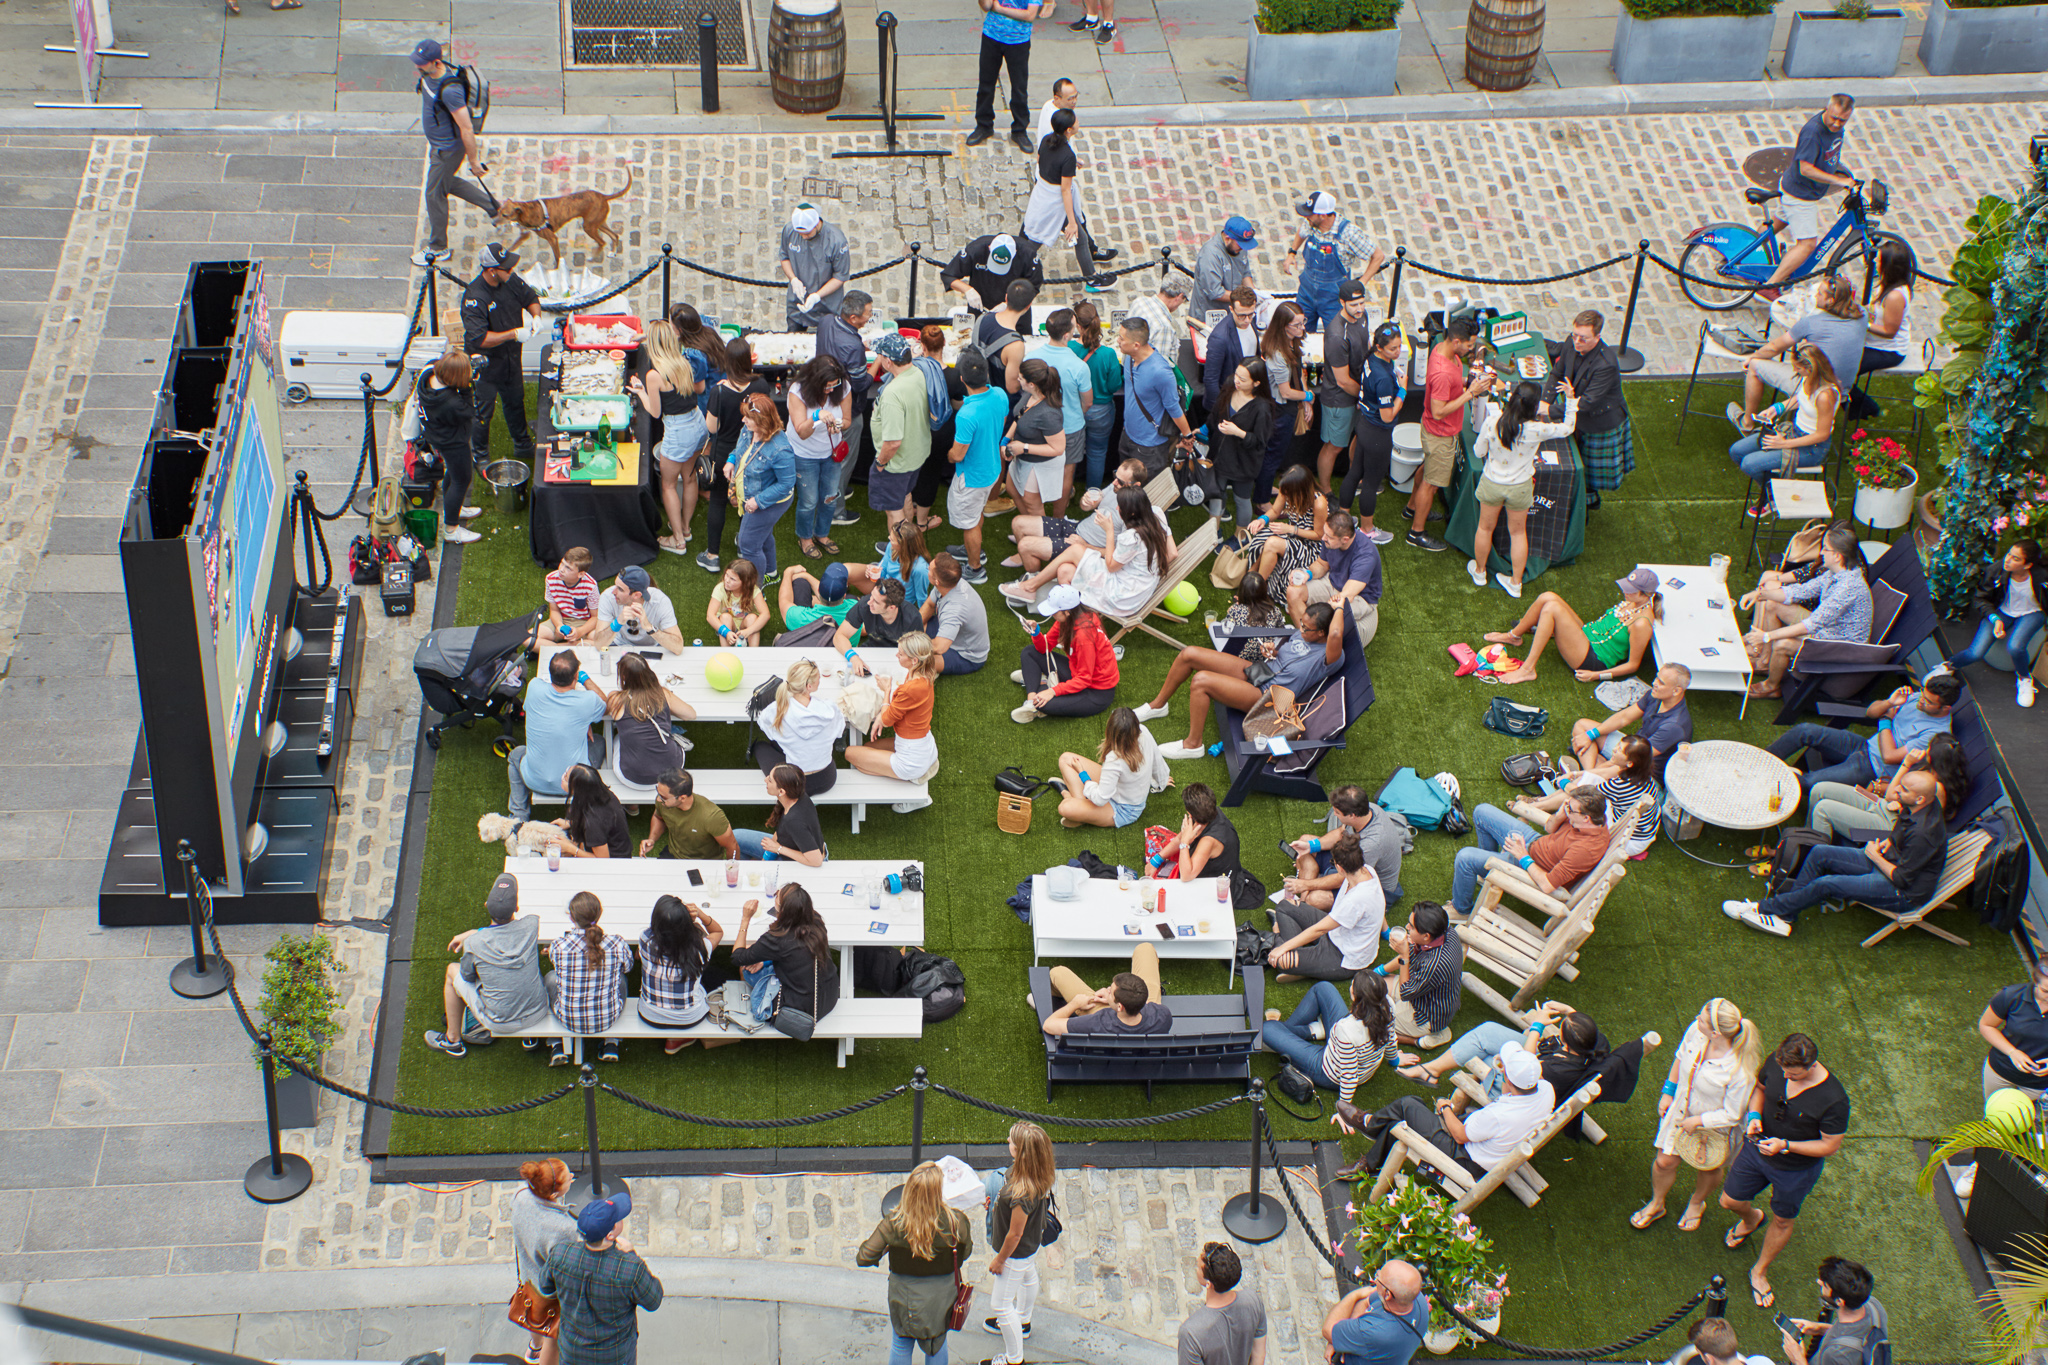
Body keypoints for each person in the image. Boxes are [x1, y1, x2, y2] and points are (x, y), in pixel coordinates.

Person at [1723, 770, 1946, 938]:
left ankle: (1763, 908)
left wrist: (1875, 856)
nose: (1896, 790)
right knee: (1820, 853)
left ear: (1920, 799)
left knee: (1826, 884)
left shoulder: (1924, 833)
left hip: (1901, 891)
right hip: (1889, 860)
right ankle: (1784, 915)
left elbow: (1903, 879)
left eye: (1903, 790)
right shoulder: (1921, 804)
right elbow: (1902, 824)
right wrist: (1888, 841)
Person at [1716, 1034, 1850, 1309]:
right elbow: (1760, 1089)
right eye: (1783, 1069)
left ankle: (1760, 1271)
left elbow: (1830, 1145)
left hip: (1795, 1170)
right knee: (1728, 1200)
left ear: (1812, 1065)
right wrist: (1754, 1117)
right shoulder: (1777, 1065)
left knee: (1782, 1220)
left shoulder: (1834, 1100)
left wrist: (1785, 1145)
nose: (1786, 1076)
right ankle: (1752, 1218)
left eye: (1794, 1073)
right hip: (1756, 1149)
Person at [1146, 599, 1345, 761]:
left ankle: (1193, 744)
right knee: (1189, 653)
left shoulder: (1329, 658)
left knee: (1200, 681)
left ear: (1321, 633)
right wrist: (1273, 651)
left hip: (1269, 697)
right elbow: (1289, 654)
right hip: (1261, 671)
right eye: (1301, 623)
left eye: (1306, 628)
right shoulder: (1303, 635)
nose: (1300, 629)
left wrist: (1339, 607)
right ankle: (1157, 705)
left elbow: (1335, 633)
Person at [1631, 998, 1762, 1232]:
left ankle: (1696, 1203)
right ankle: (1657, 1203)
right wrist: (1668, 1092)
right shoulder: (1697, 1032)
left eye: (1701, 1019)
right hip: (1682, 1110)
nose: (1695, 1020)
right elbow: (1681, 1056)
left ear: (1715, 1032)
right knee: (1664, 1162)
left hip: (1715, 1126)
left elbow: (1733, 1114)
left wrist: (1698, 1121)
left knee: (1709, 1167)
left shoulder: (1740, 1071)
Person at [1342, 1045, 1552, 1182]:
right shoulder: (1546, 1091)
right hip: (1489, 1144)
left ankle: (1370, 1133)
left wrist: (1445, 1107)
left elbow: (1460, 1135)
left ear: (1507, 1076)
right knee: (1413, 1106)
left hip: (1465, 1158)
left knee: (1407, 1105)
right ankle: (1371, 1149)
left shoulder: (1499, 1115)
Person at [855, 1162, 975, 1365]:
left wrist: (887, 1248)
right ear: (938, 1191)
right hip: (941, 1300)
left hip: (904, 1299)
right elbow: (964, 1254)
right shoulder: (956, 1221)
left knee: (901, 1344)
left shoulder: (894, 1222)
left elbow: (864, 1257)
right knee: (937, 1346)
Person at [1468, 377, 1578, 599]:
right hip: (1520, 487)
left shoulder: (1493, 421)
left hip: (1492, 483)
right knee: (1518, 533)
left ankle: (1480, 573)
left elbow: (1479, 452)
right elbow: (1568, 428)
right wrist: (1570, 399)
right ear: (1534, 407)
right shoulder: (1537, 429)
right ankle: (1515, 583)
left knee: (1485, 528)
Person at [1764, 672, 1960, 793]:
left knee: (1807, 783)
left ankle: (1763, 784)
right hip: (1863, 745)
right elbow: (1870, 712)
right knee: (1805, 730)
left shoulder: (1935, 735)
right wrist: (1889, 703)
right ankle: (1761, 761)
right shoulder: (1917, 698)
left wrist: (1886, 720)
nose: (1921, 702)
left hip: (1873, 768)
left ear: (1946, 708)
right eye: (1923, 695)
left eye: (1928, 702)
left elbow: (1890, 756)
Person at [425, 872, 552, 1058]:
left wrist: (473, 935)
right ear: (516, 907)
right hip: (537, 1011)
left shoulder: (474, 943)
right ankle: (529, 1037)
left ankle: (452, 1040)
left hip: (499, 1021)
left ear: (486, 906)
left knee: (452, 971)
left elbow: (467, 976)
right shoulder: (532, 925)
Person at [1740, 523, 1874, 699]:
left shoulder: (1848, 587)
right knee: (1772, 603)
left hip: (1840, 645)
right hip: (1827, 629)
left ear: (1836, 555)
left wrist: (1767, 636)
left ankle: (1771, 686)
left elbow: (1810, 625)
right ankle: (1765, 662)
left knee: (1783, 644)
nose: (1820, 553)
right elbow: (1799, 591)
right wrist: (1761, 594)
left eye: (1825, 549)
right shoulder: (1835, 573)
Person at [1006, 485, 1173, 622]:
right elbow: (1172, 554)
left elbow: (1111, 566)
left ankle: (1029, 586)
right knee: (1065, 570)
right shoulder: (1157, 514)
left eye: (1120, 506)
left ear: (1131, 512)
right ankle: (1075, 624)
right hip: (1136, 585)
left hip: (1124, 595)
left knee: (1076, 550)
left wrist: (1109, 531)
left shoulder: (1132, 537)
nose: (1116, 508)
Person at [1728, 277, 1865, 440]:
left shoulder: (1811, 323)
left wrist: (1752, 357)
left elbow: (1774, 348)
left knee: (1755, 366)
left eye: (1820, 294)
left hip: (1816, 388)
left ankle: (1747, 424)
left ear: (1830, 300)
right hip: (1842, 389)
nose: (1816, 297)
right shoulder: (1861, 315)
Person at [1481, 566, 1662, 687]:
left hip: (1592, 658)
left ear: (1645, 594)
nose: (1625, 591)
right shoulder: (1633, 602)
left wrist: (1597, 676)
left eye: (1631, 589)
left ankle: (1528, 669)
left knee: (1552, 608)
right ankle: (1514, 636)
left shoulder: (1641, 624)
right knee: (1548, 596)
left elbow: (1633, 665)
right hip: (1587, 635)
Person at [1397, 999, 1608, 1101]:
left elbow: (1524, 1064)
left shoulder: (1559, 1070)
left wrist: (1537, 1026)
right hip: (1534, 1060)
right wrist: (1569, 1012)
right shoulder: (1595, 1043)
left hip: (1519, 1088)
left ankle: (1432, 1074)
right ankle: (1431, 1070)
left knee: (1488, 1057)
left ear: (1568, 1046)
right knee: (1487, 1032)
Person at [539, 1192, 662, 1365]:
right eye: (618, 1219)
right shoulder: (630, 1268)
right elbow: (653, 1300)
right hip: (614, 1355)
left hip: (572, 1352)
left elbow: (545, 1287)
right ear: (610, 1235)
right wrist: (633, 1255)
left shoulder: (561, 1254)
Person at [1449, 787, 1611, 917]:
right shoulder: (1585, 821)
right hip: (1534, 842)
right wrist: (1561, 814)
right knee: (1481, 811)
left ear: (1586, 818)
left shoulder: (1584, 851)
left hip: (1529, 867)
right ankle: (1488, 874)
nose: (1567, 810)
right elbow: (1549, 828)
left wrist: (1522, 855)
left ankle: (1461, 909)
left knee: (1465, 858)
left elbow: (1547, 885)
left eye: (1571, 809)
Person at [1408, 318, 1493, 552]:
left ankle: (1412, 507)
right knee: (1431, 484)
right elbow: (1438, 411)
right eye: (1469, 345)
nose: (1471, 349)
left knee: (1427, 471)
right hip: (1440, 434)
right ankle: (1416, 532)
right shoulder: (1443, 373)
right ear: (1456, 342)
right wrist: (1471, 393)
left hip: (1434, 433)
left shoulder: (1443, 350)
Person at [1760, 95, 1860, 295]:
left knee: (1776, 225)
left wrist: (1839, 173)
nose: (1837, 123)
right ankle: (1770, 287)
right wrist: (1839, 181)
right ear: (1826, 109)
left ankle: (1742, 251)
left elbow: (1829, 156)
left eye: (1843, 120)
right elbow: (1805, 168)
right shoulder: (1812, 132)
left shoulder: (1836, 129)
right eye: (1834, 118)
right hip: (1800, 194)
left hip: (1798, 190)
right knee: (1807, 245)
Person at [461, 241, 540, 483]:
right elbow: (479, 338)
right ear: (492, 270)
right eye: (506, 267)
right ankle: (480, 455)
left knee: (515, 399)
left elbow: (530, 297)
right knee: (483, 412)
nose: (512, 270)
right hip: (485, 365)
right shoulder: (475, 297)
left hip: (510, 358)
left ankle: (522, 443)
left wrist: (535, 316)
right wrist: (514, 334)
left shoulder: (510, 281)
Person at [411, 40, 497, 261]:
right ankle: (495, 208)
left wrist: (474, 161)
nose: (417, 67)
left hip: (447, 150)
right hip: (439, 145)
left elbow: (466, 128)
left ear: (436, 62)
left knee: (434, 194)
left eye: (421, 63)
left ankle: (438, 247)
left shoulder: (451, 91)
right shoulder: (430, 75)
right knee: (446, 183)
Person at [628, 319, 707, 558]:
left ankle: (678, 541)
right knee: (690, 477)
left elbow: (654, 412)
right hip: (697, 423)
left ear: (652, 344)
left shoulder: (654, 375)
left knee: (669, 485)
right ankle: (685, 528)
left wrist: (641, 391)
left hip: (678, 431)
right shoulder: (684, 361)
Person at [1263, 965, 1397, 1105]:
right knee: (1323, 988)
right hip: (1350, 1052)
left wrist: (1344, 1108)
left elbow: (1349, 1075)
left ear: (1354, 995)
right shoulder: (1389, 1005)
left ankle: (1304, 1032)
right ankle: (1309, 1032)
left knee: (1267, 1029)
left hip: (1328, 1073)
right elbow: (1391, 1037)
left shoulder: (1346, 1029)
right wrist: (1395, 1060)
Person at [1806, 730, 1968, 844]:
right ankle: (1807, 835)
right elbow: (1896, 796)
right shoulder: (1927, 770)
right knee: (1819, 789)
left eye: (1929, 749)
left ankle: (1813, 852)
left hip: (1889, 827)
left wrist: (1906, 763)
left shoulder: (1936, 788)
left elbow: (1892, 795)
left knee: (1823, 808)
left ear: (1936, 759)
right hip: (1884, 806)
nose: (1925, 751)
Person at [696, 336, 773, 574]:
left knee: (718, 501)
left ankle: (712, 555)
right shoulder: (761, 386)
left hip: (723, 455)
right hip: (751, 453)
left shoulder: (718, 391)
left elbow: (711, 428)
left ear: (727, 362)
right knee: (747, 500)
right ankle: (744, 545)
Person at [1511, 735, 1656, 860]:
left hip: (1627, 838)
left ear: (1629, 763)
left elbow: (1580, 792)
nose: (1614, 749)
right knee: (1589, 780)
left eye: (1619, 750)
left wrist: (1563, 781)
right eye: (1618, 744)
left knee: (1582, 794)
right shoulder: (1642, 776)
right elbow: (1601, 774)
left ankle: (1534, 808)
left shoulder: (1623, 785)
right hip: (1636, 828)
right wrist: (1574, 775)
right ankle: (1538, 803)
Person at [1727, 341, 1842, 494]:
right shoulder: (1808, 378)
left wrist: (1784, 443)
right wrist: (1777, 408)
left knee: (1749, 464)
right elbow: (1801, 398)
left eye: (1798, 368)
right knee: (1737, 451)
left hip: (1811, 448)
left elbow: (1822, 434)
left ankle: (1772, 494)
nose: (1794, 370)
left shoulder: (1825, 396)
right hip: (1794, 431)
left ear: (1810, 368)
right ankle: (1775, 485)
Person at [985, 1121, 1056, 1365]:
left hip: (1015, 1253)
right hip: (1030, 1245)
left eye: (1012, 1141)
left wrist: (999, 1259)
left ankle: (1014, 1359)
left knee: (1001, 1305)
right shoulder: (1037, 1172)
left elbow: (1014, 1234)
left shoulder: (1022, 1191)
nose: (1008, 1141)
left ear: (1021, 1151)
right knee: (1028, 1277)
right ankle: (1023, 1321)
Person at [1267, 834, 1384, 981]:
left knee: (1280, 959)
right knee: (1284, 905)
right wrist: (1386, 932)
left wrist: (1282, 948)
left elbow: (1320, 929)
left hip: (1343, 958)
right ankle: (1304, 962)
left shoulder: (1356, 900)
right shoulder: (1367, 870)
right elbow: (1380, 907)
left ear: (1339, 867)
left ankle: (1280, 936)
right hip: (1335, 932)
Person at [1943, 539, 2046, 704]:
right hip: (2002, 611)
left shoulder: (2042, 575)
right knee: (1975, 652)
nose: (2007, 560)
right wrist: (1995, 619)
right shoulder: (1996, 571)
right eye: (2009, 554)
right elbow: (1980, 599)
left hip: (2032, 612)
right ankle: (1948, 666)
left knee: (2015, 647)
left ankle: (2024, 679)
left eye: (2015, 559)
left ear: (2027, 565)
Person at [730, 883, 841, 1037]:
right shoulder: (816, 921)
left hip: (801, 1010)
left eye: (777, 896)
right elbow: (793, 954)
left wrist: (745, 920)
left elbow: (737, 957)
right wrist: (764, 960)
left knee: (746, 968)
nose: (775, 896)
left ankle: (745, 999)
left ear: (782, 910)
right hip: (829, 994)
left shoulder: (777, 938)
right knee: (760, 959)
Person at [508, 652, 606, 824]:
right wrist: (585, 679)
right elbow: (604, 704)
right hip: (574, 784)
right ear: (575, 675)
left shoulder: (534, 687)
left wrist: (584, 721)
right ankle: (573, 815)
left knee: (516, 754)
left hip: (534, 779)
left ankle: (518, 815)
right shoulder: (588, 700)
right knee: (598, 740)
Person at [1547, 310, 1632, 506]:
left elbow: (1587, 402)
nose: (1576, 342)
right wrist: (1545, 401)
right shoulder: (1571, 342)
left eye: (1583, 338)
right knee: (1577, 460)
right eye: (1574, 335)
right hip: (1577, 413)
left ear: (1598, 337)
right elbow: (1557, 373)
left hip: (1600, 422)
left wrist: (1550, 411)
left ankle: (1589, 501)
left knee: (1591, 472)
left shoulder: (1606, 364)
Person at [1011, 457, 1153, 573]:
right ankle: (1029, 562)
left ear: (1137, 484)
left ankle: (1034, 577)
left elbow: (1118, 554)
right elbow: (1090, 504)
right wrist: (1085, 503)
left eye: (1120, 482)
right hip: (1077, 528)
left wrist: (1085, 546)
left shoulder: (1134, 513)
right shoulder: (1116, 487)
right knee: (1018, 523)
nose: (1114, 482)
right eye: (1115, 475)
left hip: (1084, 547)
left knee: (1025, 545)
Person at [1023, 108, 1109, 291]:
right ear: (1069, 130)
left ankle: (1091, 277)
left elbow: (1042, 160)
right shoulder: (1067, 155)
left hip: (1042, 194)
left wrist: (1069, 164)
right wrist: (1071, 222)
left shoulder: (1047, 140)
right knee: (1038, 241)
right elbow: (1065, 190)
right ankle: (1092, 280)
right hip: (1055, 204)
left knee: (1073, 238)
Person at [846, 633, 942, 797]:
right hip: (922, 745)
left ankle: (907, 780)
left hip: (911, 760)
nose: (897, 655)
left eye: (901, 654)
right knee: (867, 748)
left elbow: (886, 719)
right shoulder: (923, 674)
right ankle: (897, 771)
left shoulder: (911, 688)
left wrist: (887, 691)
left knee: (850, 753)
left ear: (914, 660)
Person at [1284, 785, 1408, 911]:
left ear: (1352, 815)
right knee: (1305, 841)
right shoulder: (1368, 809)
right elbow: (1340, 833)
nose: (1335, 815)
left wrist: (1305, 884)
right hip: (1347, 859)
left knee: (1315, 899)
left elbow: (1345, 878)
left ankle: (1304, 896)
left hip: (1368, 886)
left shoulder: (1372, 844)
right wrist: (1310, 846)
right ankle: (1303, 900)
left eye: (1337, 813)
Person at [543, 891, 632, 1065]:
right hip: (609, 1017)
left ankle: (556, 1043)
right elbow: (627, 968)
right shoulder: (617, 943)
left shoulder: (559, 946)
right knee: (621, 980)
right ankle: (611, 1043)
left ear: (571, 918)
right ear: (600, 914)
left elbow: (556, 965)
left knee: (550, 978)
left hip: (568, 1018)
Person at [1012, 583, 1118, 723]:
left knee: (1047, 704)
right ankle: (1032, 700)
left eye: (1054, 611)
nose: (1051, 614)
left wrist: (1052, 691)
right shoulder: (1068, 619)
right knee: (1029, 652)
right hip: (1077, 672)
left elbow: (1084, 679)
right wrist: (1036, 632)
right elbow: (1044, 648)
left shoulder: (1083, 637)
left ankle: (1038, 681)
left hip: (1096, 692)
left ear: (1067, 612)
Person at [1282, 190, 1385, 331]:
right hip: (1306, 293)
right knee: (1298, 332)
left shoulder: (1348, 233)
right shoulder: (1312, 223)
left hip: (1333, 299)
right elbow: (1302, 231)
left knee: (1335, 337)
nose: (1306, 217)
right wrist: (1292, 253)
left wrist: (1362, 282)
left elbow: (1378, 256)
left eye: (1309, 214)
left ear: (1323, 215)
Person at [817, 290, 877, 529]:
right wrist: (878, 364)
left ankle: (838, 490)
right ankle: (835, 510)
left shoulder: (826, 321)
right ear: (853, 318)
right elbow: (861, 383)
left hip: (824, 397)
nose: (869, 318)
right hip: (847, 409)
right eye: (868, 314)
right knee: (842, 459)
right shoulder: (853, 345)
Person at [1571, 663, 1692, 781]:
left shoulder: (1674, 726)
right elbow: (1624, 717)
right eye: (1656, 677)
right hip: (1631, 747)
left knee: (1604, 766)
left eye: (1661, 682)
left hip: (1642, 768)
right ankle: (1591, 777)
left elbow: (1635, 759)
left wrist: (1604, 766)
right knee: (1581, 727)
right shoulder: (1655, 696)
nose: (1654, 683)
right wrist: (1590, 735)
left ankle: (1588, 776)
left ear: (1676, 691)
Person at [635, 894, 726, 1051]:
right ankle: (680, 1037)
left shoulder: (645, 939)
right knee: (718, 976)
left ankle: (675, 1038)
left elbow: (638, 956)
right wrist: (700, 913)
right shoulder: (699, 948)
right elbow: (717, 932)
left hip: (649, 1015)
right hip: (689, 1018)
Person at [1053, 705, 1168, 829]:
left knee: (1065, 807)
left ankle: (1070, 799)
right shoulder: (1143, 731)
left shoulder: (1115, 759)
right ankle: (1081, 812)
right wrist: (1162, 781)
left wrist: (1082, 773)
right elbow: (1157, 758)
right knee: (1066, 758)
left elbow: (1100, 799)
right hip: (1116, 790)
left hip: (1123, 809)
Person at [947, 351, 1008, 580]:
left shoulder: (966, 414)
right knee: (975, 514)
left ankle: (975, 569)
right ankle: (972, 548)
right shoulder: (1000, 395)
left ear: (962, 380)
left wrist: (950, 456)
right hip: (992, 470)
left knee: (970, 523)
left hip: (972, 477)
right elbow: (1000, 424)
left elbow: (958, 454)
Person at [1343, 322, 1405, 544]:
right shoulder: (1382, 379)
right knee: (1370, 482)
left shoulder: (1371, 359)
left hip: (1364, 426)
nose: (1397, 352)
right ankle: (1367, 530)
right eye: (1393, 349)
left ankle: (1343, 518)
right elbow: (1388, 416)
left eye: (1399, 347)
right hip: (1378, 434)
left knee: (1354, 472)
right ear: (1379, 347)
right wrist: (1403, 392)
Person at [786, 354, 852, 560]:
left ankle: (822, 534)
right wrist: (816, 417)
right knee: (809, 500)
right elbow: (802, 432)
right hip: (804, 454)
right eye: (827, 386)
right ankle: (805, 538)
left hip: (831, 452)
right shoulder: (797, 392)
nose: (831, 390)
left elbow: (848, 420)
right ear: (815, 382)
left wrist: (838, 424)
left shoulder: (844, 387)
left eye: (835, 384)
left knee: (830, 496)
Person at [512, 1158, 578, 1365]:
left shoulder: (521, 1194)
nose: (572, 1177)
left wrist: (561, 1188)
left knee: (534, 1316)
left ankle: (534, 1349)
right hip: (550, 1290)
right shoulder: (563, 1228)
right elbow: (565, 1265)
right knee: (554, 1333)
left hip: (527, 1275)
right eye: (568, 1178)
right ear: (554, 1193)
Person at [1027, 311, 1094, 511]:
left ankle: (1038, 514)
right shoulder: (1079, 366)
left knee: (1036, 470)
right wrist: (1076, 414)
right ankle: (1058, 520)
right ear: (1067, 335)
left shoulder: (1030, 357)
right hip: (1070, 427)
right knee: (1066, 474)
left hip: (1038, 425)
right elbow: (1088, 402)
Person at [869, 333, 936, 532]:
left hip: (895, 463)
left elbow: (892, 442)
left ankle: (899, 554)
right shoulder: (918, 372)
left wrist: (881, 463)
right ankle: (910, 545)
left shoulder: (892, 393)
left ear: (888, 361)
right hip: (916, 455)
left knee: (893, 511)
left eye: (880, 356)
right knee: (905, 496)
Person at [727, 393, 797, 583]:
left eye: (748, 417)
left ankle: (754, 589)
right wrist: (731, 460)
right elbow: (740, 450)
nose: (743, 420)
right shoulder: (748, 429)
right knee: (762, 534)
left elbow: (786, 484)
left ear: (762, 420)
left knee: (748, 544)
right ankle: (771, 572)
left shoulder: (781, 449)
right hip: (751, 495)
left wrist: (758, 501)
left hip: (768, 501)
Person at [415, 348, 481, 543]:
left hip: (436, 435)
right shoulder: (451, 403)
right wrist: (469, 385)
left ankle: (454, 508)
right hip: (452, 441)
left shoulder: (428, 374)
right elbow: (469, 411)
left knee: (452, 474)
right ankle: (451, 529)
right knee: (462, 479)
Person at [970, 0, 1054, 152]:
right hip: (992, 36)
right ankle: (984, 125)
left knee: (1019, 87)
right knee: (986, 84)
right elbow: (987, 6)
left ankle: (1019, 130)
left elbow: (1029, 15)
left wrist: (1001, 9)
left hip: (1018, 41)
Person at [1316, 281, 1374, 498]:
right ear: (1342, 303)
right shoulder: (1336, 335)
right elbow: (1342, 381)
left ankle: (1355, 477)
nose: (1359, 308)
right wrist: (1365, 395)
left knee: (1357, 439)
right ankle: (1325, 488)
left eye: (1362, 302)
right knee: (1333, 447)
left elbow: (1365, 346)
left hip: (1357, 393)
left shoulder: (1363, 317)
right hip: (1339, 399)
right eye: (1353, 304)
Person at [751, 659, 843, 796]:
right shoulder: (830, 709)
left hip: (793, 783)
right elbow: (838, 733)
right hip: (827, 778)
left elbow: (765, 727)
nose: (820, 680)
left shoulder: (776, 710)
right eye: (818, 678)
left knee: (760, 747)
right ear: (809, 686)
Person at [1117, 316, 1194, 477]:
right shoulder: (1129, 357)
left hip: (1150, 446)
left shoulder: (1161, 372)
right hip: (1128, 434)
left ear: (1136, 345)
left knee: (1147, 491)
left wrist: (1187, 435)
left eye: (1121, 338)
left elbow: (1174, 408)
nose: (1118, 341)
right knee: (1125, 482)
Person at [605, 656, 695, 790]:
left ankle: (631, 806)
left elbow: (602, 711)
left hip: (632, 778)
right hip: (671, 773)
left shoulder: (616, 698)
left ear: (623, 677)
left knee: (617, 738)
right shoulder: (662, 694)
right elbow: (690, 714)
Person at [1384, 902, 1462, 1047]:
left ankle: (1424, 1040)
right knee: (1371, 985)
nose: (1407, 927)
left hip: (1426, 1014)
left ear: (1426, 936)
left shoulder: (1435, 965)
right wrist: (1379, 972)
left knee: (1374, 1026)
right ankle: (1397, 1013)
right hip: (1423, 990)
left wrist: (1404, 956)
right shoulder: (1445, 931)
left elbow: (1405, 993)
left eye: (1411, 927)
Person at [1212, 359, 1276, 537]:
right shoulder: (1230, 386)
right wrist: (1199, 431)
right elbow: (1215, 415)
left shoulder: (1262, 408)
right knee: (1216, 495)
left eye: (1243, 379)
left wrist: (1238, 432)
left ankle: (1240, 539)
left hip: (1244, 464)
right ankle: (1212, 535)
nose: (1236, 381)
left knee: (1242, 499)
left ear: (1256, 383)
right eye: (1237, 375)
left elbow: (1260, 442)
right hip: (1221, 457)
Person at [1782, 1258, 1887, 1365]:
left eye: (1825, 1284)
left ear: (1839, 1301)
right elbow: (1858, 1336)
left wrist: (1798, 1359)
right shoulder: (1873, 1305)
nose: (1819, 1282)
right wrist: (1820, 1328)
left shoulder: (1836, 1354)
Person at [1179, 1242, 1269, 1365]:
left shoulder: (1191, 1333)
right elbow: (1259, 1355)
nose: (1195, 1268)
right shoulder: (1253, 1301)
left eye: (1199, 1267)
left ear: (1209, 1283)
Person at [1256, 302, 1310, 504]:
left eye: (1303, 322)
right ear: (1283, 325)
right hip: (1279, 410)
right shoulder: (1277, 354)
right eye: (1297, 325)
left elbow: (1299, 372)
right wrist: (1308, 398)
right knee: (1272, 456)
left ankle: (1265, 487)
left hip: (1286, 406)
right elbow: (1286, 391)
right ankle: (1261, 501)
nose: (1302, 328)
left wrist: (1305, 399)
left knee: (1274, 455)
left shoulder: (1290, 341)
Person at [1241, 463, 1326, 593]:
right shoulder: (1286, 489)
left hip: (1310, 546)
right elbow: (1275, 511)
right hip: (1291, 534)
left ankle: (1257, 589)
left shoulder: (1319, 503)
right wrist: (1262, 520)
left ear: (1301, 490)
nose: (1286, 496)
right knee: (1263, 534)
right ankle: (1249, 578)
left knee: (1272, 543)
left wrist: (1292, 529)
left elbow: (1319, 535)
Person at [1325, 1261, 1427, 1365]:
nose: (1375, 1279)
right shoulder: (1417, 1300)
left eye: (1378, 1277)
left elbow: (1328, 1330)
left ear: (1387, 1294)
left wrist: (1355, 1295)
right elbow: (1365, 1302)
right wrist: (1345, 1338)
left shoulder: (1373, 1331)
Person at [1042, 953, 1171, 1035]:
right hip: (1129, 1016)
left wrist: (1074, 1004)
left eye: (1110, 991)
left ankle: (1051, 1001)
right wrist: (1111, 1000)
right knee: (1145, 948)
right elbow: (1148, 1006)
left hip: (1111, 1023)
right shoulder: (1162, 1016)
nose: (1107, 988)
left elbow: (1048, 1025)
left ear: (1120, 1007)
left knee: (1058, 973)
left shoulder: (1097, 1023)